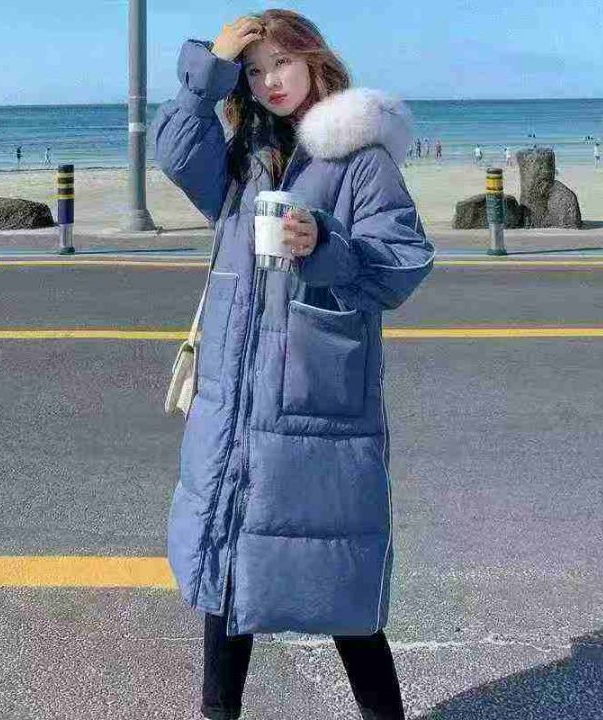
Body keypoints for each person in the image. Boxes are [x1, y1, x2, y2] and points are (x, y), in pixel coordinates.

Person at [152, 10, 434, 720]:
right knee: (226, 574)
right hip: (233, 401)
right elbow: (175, 149)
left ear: (314, 59)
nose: (269, 81)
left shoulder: (359, 157)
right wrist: (211, 67)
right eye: (253, 71)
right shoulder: (243, 157)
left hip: (316, 402)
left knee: (339, 580)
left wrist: (324, 245)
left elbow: (402, 264)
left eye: (281, 62)